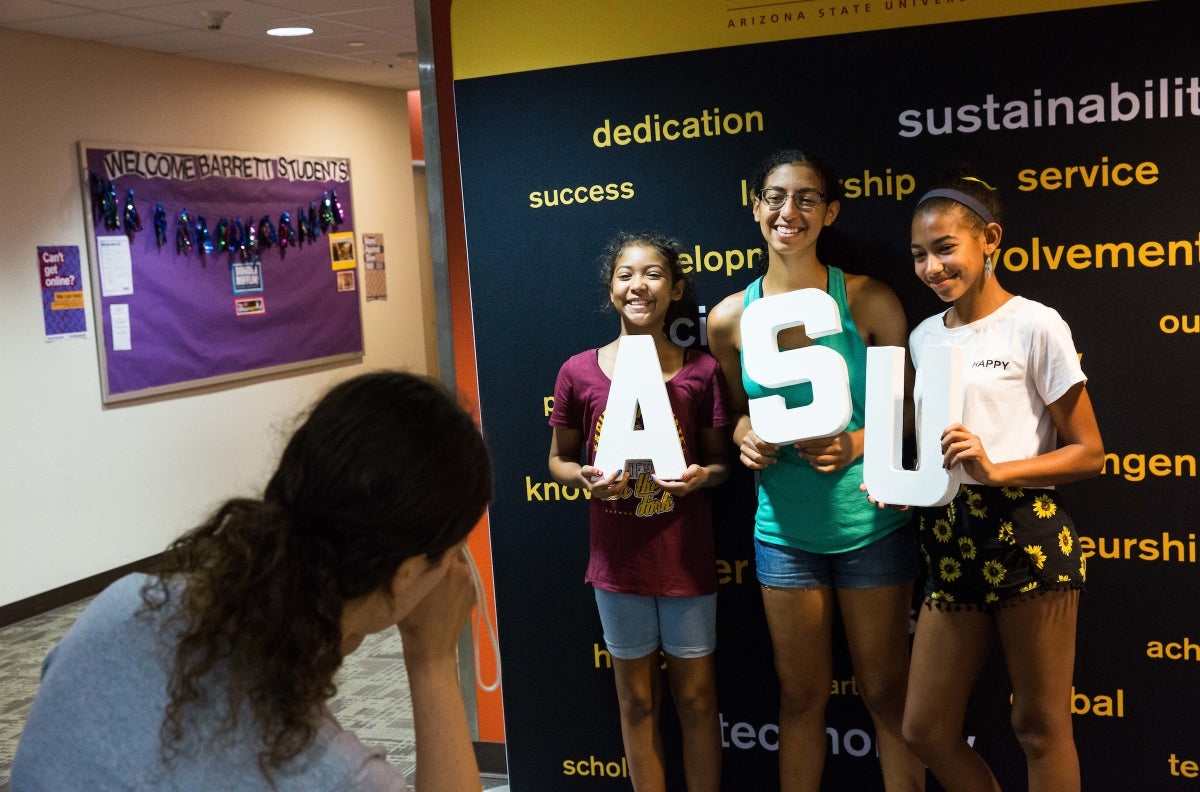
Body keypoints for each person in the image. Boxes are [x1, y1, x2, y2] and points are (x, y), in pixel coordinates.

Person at [12, 371, 492, 792]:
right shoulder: (340, 778)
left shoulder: (121, 608)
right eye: (451, 556)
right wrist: (430, 662)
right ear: (404, 574)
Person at [707, 149, 926, 792]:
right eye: (775, 196)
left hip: (872, 528)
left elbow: (910, 409)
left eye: (807, 199)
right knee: (800, 698)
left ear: (829, 212)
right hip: (784, 536)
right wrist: (747, 437)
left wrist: (856, 443)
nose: (789, 212)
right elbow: (735, 415)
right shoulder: (728, 319)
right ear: (755, 207)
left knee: (888, 696)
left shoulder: (869, 300)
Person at [900, 173, 1103, 792]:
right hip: (947, 540)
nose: (932, 268)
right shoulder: (923, 335)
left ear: (989, 240)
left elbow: (1090, 453)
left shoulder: (1035, 324)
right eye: (918, 255)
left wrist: (996, 470)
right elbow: (930, 447)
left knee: (1040, 727)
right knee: (925, 730)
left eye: (944, 249)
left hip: (1027, 538)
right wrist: (900, 482)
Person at [548, 232, 730, 792]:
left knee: (697, 700)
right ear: (611, 288)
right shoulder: (578, 371)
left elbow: (720, 464)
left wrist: (702, 478)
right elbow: (558, 459)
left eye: (653, 274)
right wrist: (583, 479)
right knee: (636, 701)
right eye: (626, 273)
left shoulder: (701, 370)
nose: (638, 285)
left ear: (674, 290)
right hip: (618, 565)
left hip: (686, 563)